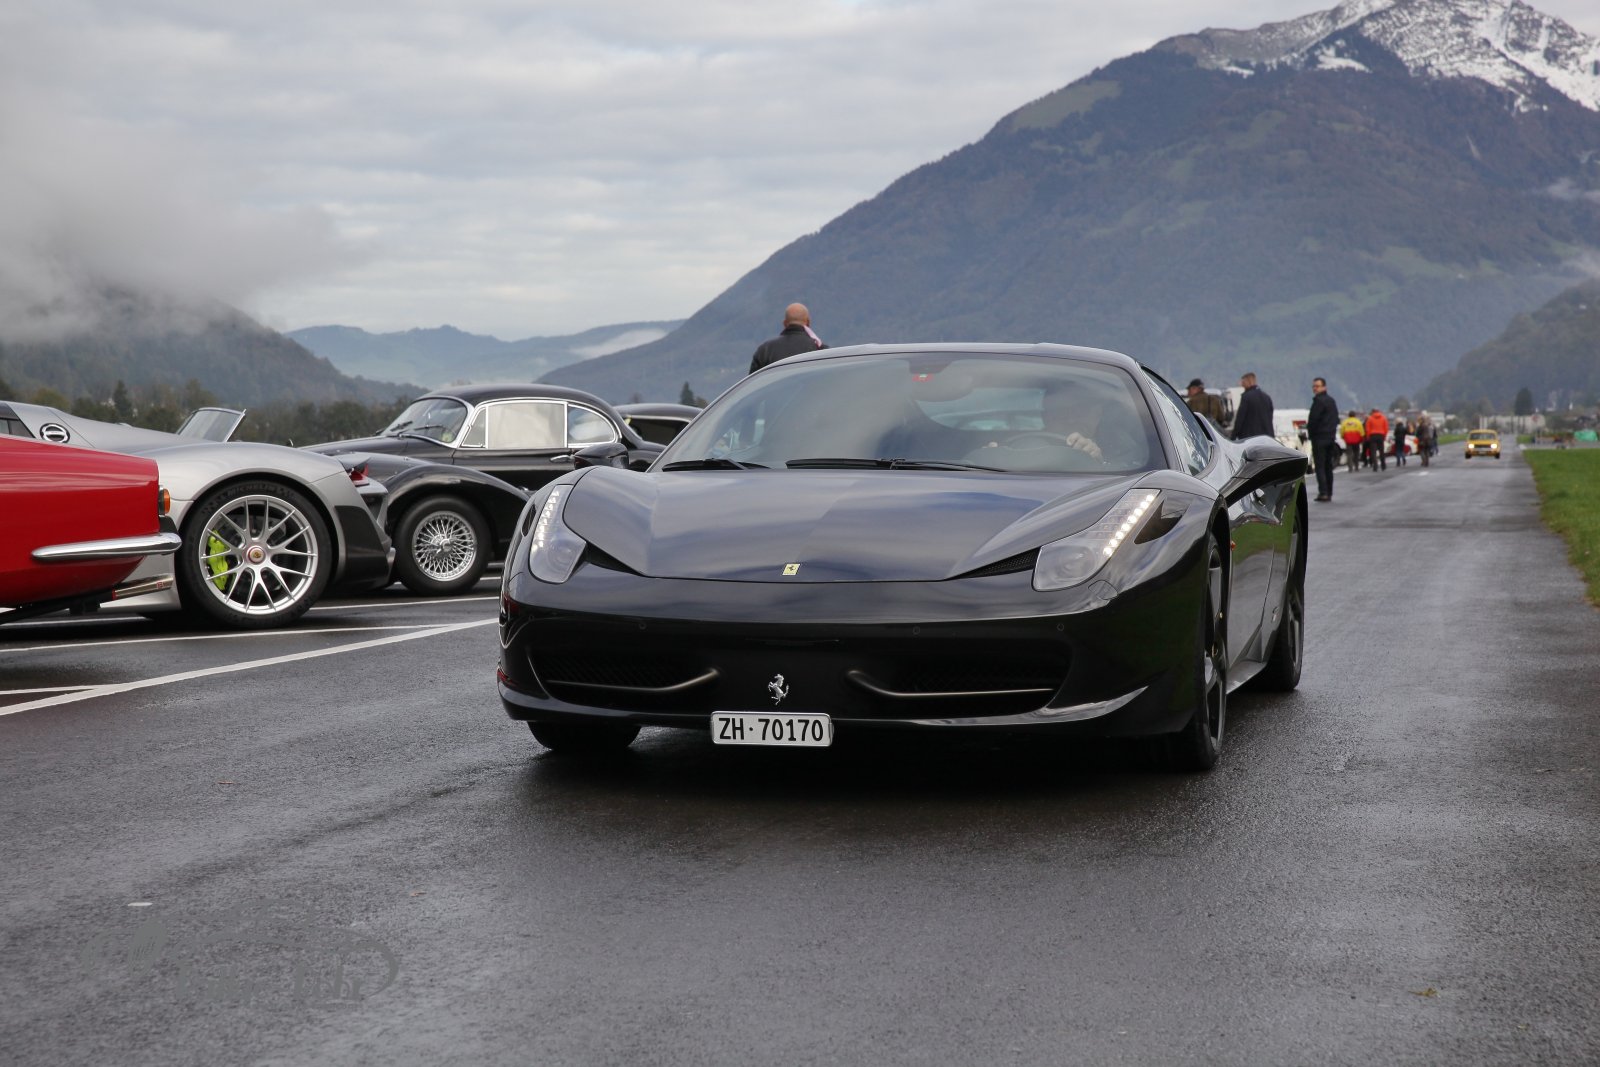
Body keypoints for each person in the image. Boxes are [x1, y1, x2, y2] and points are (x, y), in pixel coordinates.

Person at [748, 303, 826, 374]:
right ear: (808, 322)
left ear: (785, 323)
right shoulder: (819, 349)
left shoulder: (765, 350)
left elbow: (753, 381)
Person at [1307, 377, 1339, 502]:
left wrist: (1311, 434)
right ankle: (1329, 492)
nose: (1315, 388)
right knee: (1328, 466)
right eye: (1314, 386)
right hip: (1330, 437)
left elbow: (1313, 421)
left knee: (1320, 466)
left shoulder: (1318, 402)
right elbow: (1335, 419)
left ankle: (1323, 492)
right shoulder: (1332, 401)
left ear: (1324, 387)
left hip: (1319, 438)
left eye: (1317, 386)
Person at [1231, 372, 1274, 440]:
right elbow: (1270, 418)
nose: (1242, 385)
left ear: (1249, 381)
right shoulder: (1267, 397)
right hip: (1267, 438)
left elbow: (1240, 419)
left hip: (1250, 438)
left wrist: (1233, 436)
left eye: (1243, 382)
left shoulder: (1246, 397)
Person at [1364, 407, 1389, 471]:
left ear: (1372, 412)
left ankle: (1375, 466)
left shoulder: (1370, 419)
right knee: (1381, 451)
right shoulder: (1383, 418)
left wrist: (1368, 437)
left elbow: (1367, 429)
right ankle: (1383, 465)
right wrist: (1384, 436)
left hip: (1373, 436)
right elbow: (1386, 428)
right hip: (1381, 435)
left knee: (1373, 452)